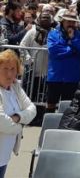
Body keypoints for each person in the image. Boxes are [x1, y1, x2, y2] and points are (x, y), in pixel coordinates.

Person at [0, 49, 36, 178]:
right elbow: (2, 122)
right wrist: (21, 125)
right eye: (5, 69)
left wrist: (17, 117)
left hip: (4, 155)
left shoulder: (15, 87)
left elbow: (32, 109)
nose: (9, 74)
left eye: (13, 69)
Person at [46, 9, 80, 112]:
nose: (71, 24)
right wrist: (73, 50)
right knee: (51, 104)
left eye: (73, 22)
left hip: (71, 77)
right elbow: (54, 50)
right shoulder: (53, 34)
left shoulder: (79, 35)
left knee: (67, 106)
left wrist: (73, 39)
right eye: (68, 21)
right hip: (55, 76)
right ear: (63, 21)